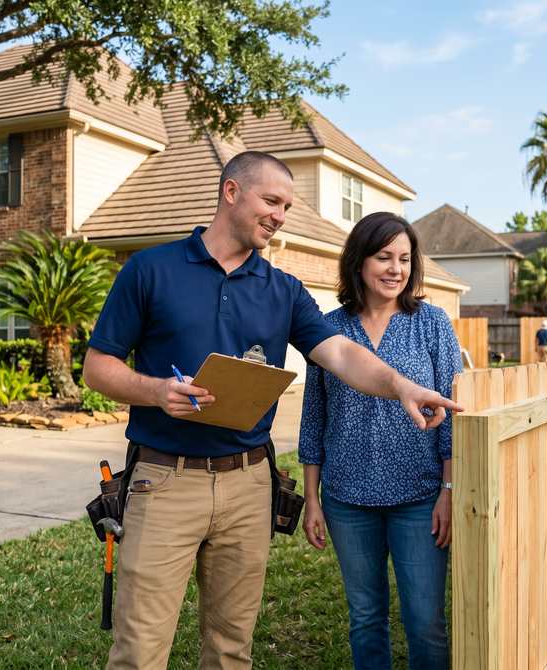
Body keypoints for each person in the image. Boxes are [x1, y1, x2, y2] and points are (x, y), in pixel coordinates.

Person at [82, 151, 461, 670]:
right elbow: (97, 366)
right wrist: (154, 391)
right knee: (140, 649)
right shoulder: (151, 269)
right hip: (165, 481)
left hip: (249, 485)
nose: (281, 215)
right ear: (231, 192)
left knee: (232, 647)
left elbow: (342, 354)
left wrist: (399, 385)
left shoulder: (283, 290)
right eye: (272, 201)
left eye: (287, 205)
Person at [299, 212, 460, 670]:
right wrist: (313, 498)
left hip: (420, 497)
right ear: (359, 262)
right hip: (348, 500)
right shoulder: (329, 328)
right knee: (366, 617)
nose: (395, 269)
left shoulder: (431, 323)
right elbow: (314, 418)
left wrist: (448, 491)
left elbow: (450, 414)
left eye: (405, 259)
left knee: (425, 620)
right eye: (384, 256)